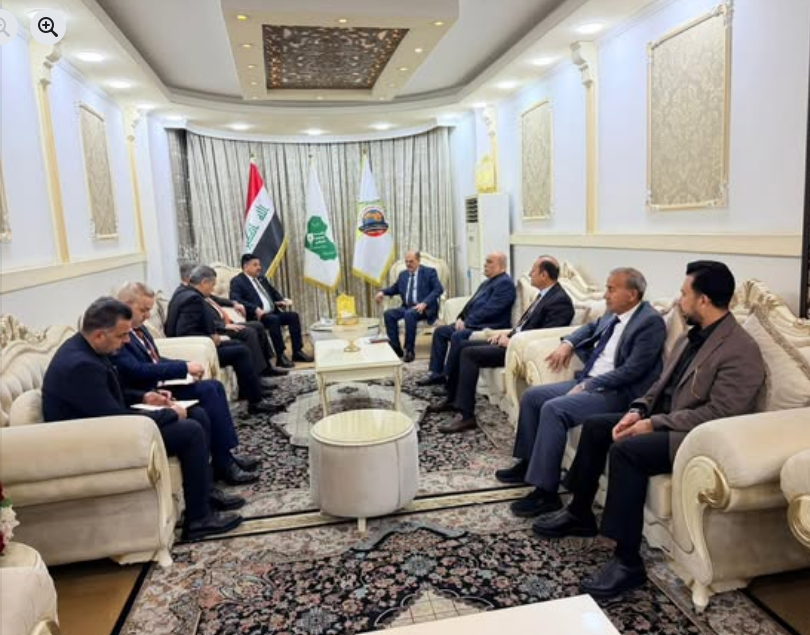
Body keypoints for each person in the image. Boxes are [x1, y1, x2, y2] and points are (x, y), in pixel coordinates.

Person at [533, 261, 766, 600]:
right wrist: (637, 410)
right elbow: (660, 385)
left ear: (703, 300)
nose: (678, 300)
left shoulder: (740, 349)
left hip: (693, 438)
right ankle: (580, 512)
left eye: (684, 294)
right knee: (598, 427)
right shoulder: (691, 336)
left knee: (627, 451)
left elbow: (720, 414)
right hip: (663, 419)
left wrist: (654, 423)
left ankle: (627, 561)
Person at [42, 297, 243, 541]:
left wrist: (145, 396)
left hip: (106, 426)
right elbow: (115, 419)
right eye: (122, 335)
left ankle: (204, 495)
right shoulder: (81, 366)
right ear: (99, 335)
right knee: (190, 431)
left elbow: (111, 394)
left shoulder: (89, 348)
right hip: (93, 443)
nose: (127, 341)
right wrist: (169, 413)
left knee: (197, 413)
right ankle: (198, 520)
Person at [496, 267, 666, 518]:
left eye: (611, 289)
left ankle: (546, 493)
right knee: (533, 397)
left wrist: (588, 386)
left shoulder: (649, 322)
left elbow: (633, 370)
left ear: (631, 294)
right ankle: (528, 463)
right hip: (590, 381)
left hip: (617, 392)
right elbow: (588, 328)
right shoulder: (613, 313)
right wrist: (568, 343)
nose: (606, 295)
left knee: (554, 409)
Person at [113, 282, 259, 486]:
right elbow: (136, 370)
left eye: (149, 311)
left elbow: (155, 359)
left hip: (160, 384)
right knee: (208, 391)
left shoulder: (140, 328)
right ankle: (223, 464)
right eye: (143, 310)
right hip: (145, 392)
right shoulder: (118, 334)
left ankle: (225, 455)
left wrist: (185, 365)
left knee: (214, 386)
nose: (147, 316)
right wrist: (182, 369)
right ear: (126, 304)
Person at [431, 255, 575, 433]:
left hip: (521, 351)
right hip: (512, 341)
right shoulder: (544, 295)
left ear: (544, 275)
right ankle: (453, 398)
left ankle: (467, 416)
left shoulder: (560, 301)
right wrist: (506, 335)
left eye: (533, 270)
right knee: (461, 345)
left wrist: (512, 341)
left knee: (469, 354)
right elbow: (524, 326)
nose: (530, 273)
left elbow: (544, 337)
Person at [166, 266, 273, 415]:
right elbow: (184, 332)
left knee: (238, 345)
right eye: (212, 284)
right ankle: (255, 402)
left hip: (198, 346)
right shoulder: (193, 299)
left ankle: (249, 391)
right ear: (204, 282)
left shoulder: (184, 292)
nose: (213, 288)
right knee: (241, 351)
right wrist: (209, 338)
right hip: (196, 351)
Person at [418, 251, 516, 387]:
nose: (485, 265)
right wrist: (461, 317)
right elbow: (471, 304)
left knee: (458, 336)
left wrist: (467, 322)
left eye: (489, 262)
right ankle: (436, 374)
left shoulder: (505, 283)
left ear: (502, 266)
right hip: (473, 323)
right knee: (440, 332)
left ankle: (450, 380)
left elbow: (491, 310)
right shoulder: (487, 283)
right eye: (486, 261)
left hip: (489, 326)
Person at [230, 253, 313, 368]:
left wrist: (281, 301)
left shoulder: (261, 279)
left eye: (259, 265)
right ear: (246, 267)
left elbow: (273, 293)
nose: (259, 267)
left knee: (293, 316)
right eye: (255, 265)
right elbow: (235, 299)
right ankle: (280, 356)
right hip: (257, 316)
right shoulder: (237, 281)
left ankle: (297, 351)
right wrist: (254, 308)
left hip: (273, 312)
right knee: (274, 320)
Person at [374, 250, 444, 362]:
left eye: (411, 261)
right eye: (406, 261)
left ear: (418, 261)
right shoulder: (403, 275)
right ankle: (396, 348)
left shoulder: (429, 272)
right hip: (407, 307)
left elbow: (438, 289)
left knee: (409, 314)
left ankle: (409, 350)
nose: (408, 264)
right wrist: (382, 292)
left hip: (425, 308)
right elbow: (394, 288)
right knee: (389, 314)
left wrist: (425, 303)